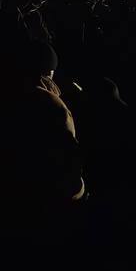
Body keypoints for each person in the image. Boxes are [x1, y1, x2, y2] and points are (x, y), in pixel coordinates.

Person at [1, 39, 85, 228]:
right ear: (48, 72)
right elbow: (69, 155)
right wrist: (78, 189)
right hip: (50, 198)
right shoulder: (53, 106)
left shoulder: (8, 97)